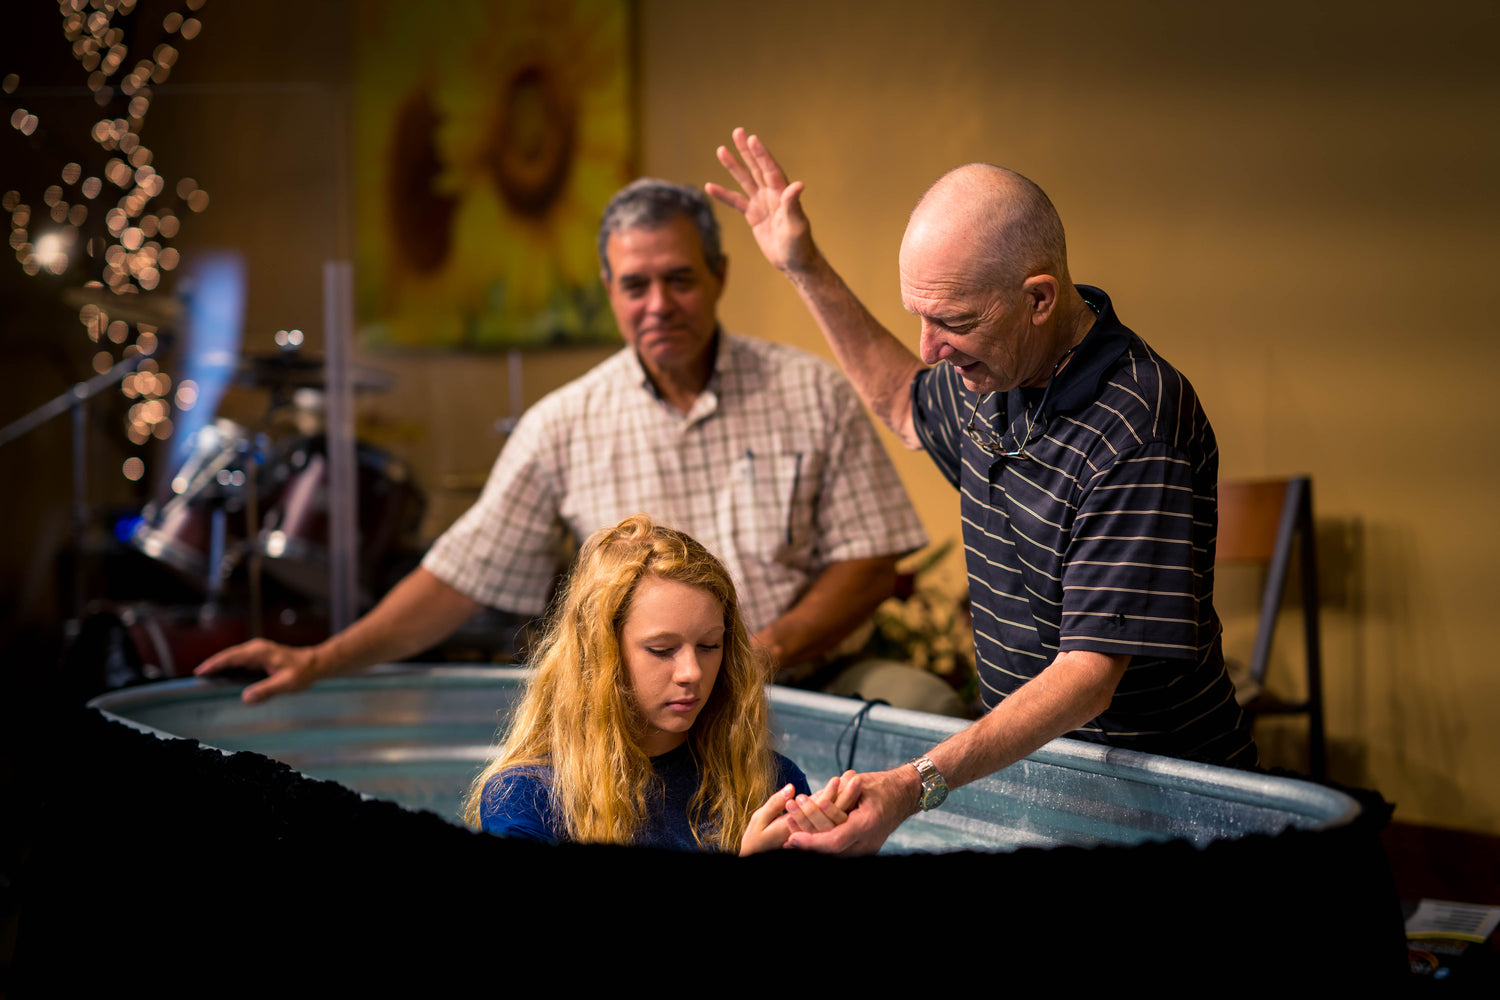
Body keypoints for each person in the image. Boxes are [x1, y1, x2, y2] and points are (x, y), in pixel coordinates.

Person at [708, 128, 1255, 854]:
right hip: (1045, 778)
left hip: (1166, 803)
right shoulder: (991, 373)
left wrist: (911, 784)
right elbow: (905, 401)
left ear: (1038, 298)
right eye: (921, 319)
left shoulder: (1137, 419)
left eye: (954, 321)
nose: (933, 348)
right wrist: (801, 265)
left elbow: (1088, 679)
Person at [197, 178, 926, 702]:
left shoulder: (812, 390)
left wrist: (757, 657)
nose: (658, 305)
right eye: (635, 285)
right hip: (641, 709)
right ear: (608, 289)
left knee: (925, 706)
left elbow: (868, 562)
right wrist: (321, 659)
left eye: (679, 280)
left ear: (720, 276)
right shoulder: (563, 423)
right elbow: (461, 576)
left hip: (809, 680)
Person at [463, 514, 857, 853]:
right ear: (600, 653)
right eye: (662, 649)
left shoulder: (770, 782)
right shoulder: (527, 798)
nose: (692, 672)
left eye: (709, 646)